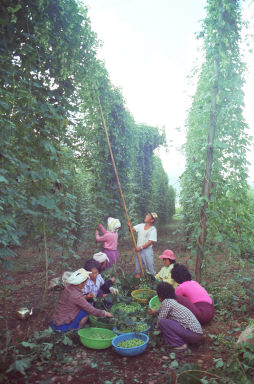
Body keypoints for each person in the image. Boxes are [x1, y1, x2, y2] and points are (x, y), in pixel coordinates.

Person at [149, 282, 203, 351]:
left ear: (160, 296)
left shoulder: (166, 302)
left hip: (193, 335)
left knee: (163, 322)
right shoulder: (172, 301)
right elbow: (162, 310)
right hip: (197, 333)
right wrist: (155, 311)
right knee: (167, 321)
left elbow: (160, 319)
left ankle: (180, 344)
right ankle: (182, 340)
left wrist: (155, 331)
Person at [128, 212, 157, 278]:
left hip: (147, 251)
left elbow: (151, 241)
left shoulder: (153, 229)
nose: (146, 216)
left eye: (148, 215)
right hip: (138, 250)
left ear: (152, 220)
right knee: (137, 269)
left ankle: (152, 282)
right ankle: (138, 284)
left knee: (150, 268)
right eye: (147, 214)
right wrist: (129, 226)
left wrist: (141, 247)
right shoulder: (141, 225)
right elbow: (132, 230)